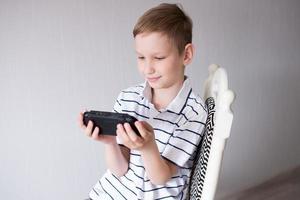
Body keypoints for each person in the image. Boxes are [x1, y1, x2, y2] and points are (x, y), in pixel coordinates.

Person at [78, 3, 207, 200]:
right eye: (141, 57)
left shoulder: (194, 114)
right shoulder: (128, 97)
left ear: (186, 54)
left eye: (158, 58)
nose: (148, 69)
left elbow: (161, 177)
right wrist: (110, 142)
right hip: (111, 194)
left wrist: (148, 147)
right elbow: (119, 170)